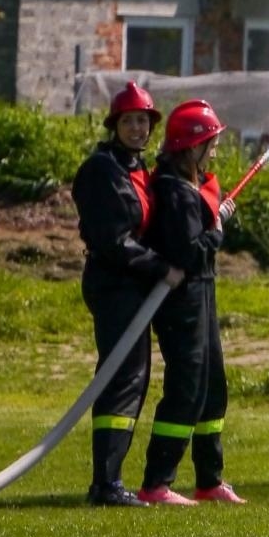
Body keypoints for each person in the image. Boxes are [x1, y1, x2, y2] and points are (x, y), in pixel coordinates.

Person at [71, 81, 184, 507]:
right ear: (114, 124)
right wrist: (161, 267)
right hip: (115, 286)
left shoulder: (137, 168)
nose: (138, 128)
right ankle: (105, 485)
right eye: (130, 121)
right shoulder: (102, 170)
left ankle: (110, 481)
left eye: (144, 121)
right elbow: (112, 239)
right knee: (122, 381)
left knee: (132, 381)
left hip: (134, 287)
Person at [138, 98, 245, 505]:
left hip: (203, 294)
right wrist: (219, 228)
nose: (214, 149)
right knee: (187, 389)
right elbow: (188, 252)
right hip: (182, 301)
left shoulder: (188, 188)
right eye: (211, 142)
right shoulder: (174, 192)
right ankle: (156, 484)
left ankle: (209, 480)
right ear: (192, 146)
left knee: (212, 387)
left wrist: (216, 214)